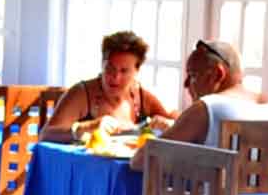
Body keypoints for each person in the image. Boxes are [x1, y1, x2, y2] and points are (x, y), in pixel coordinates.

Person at [136, 39, 268, 162]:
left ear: (218, 74)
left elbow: (141, 160)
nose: (186, 84)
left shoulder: (207, 107)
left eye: (192, 75)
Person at [44, 30, 177, 142]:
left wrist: (170, 125)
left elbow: (177, 121)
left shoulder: (142, 95)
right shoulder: (81, 93)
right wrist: (85, 128)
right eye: (110, 68)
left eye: (124, 71)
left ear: (137, 71)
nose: (115, 77)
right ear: (102, 64)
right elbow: (46, 134)